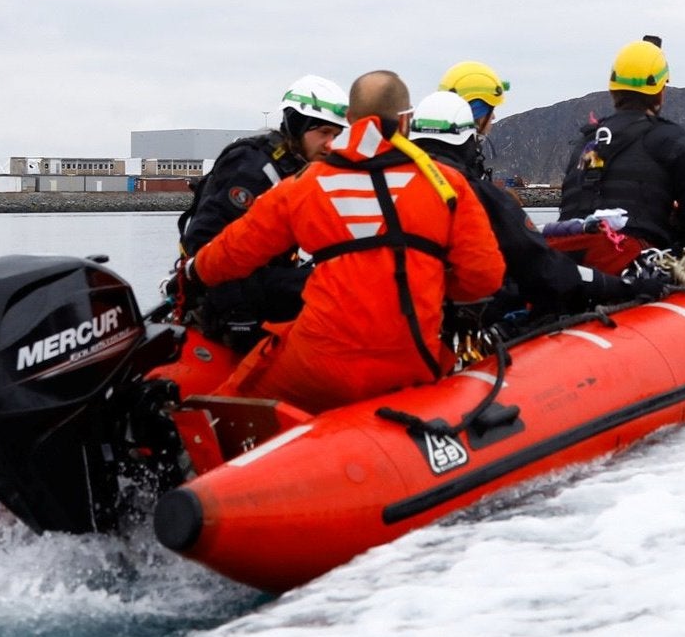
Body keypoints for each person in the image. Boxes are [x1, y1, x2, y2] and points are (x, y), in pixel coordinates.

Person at [185, 70, 505, 409]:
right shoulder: (448, 185)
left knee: (230, 404)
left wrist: (192, 274)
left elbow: (232, 251)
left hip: (319, 364)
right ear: (407, 121)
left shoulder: (306, 184)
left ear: (350, 120)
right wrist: (431, 284)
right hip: (412, 358)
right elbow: (484, 275)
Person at [407, 89, 649, 320]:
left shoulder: (386, 186)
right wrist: (618, 285)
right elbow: (543, 268)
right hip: (450, 331)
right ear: (469, 139)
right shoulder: (481, 197)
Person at [172, 75, 347, 352]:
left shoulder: (296, 170)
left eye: (335, 136)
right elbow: (205, 243)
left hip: (261, 281)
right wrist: (240, 320)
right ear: (298, 126)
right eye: (323, 133)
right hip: (229, 292)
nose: (330, 144)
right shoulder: (253, 168)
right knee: (324, 288)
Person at [557, 36, 685, 251]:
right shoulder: (675, 142)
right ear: (660, 92)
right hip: (634, 266)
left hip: (571, 264)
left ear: (613, 90)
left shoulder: (585, 144)